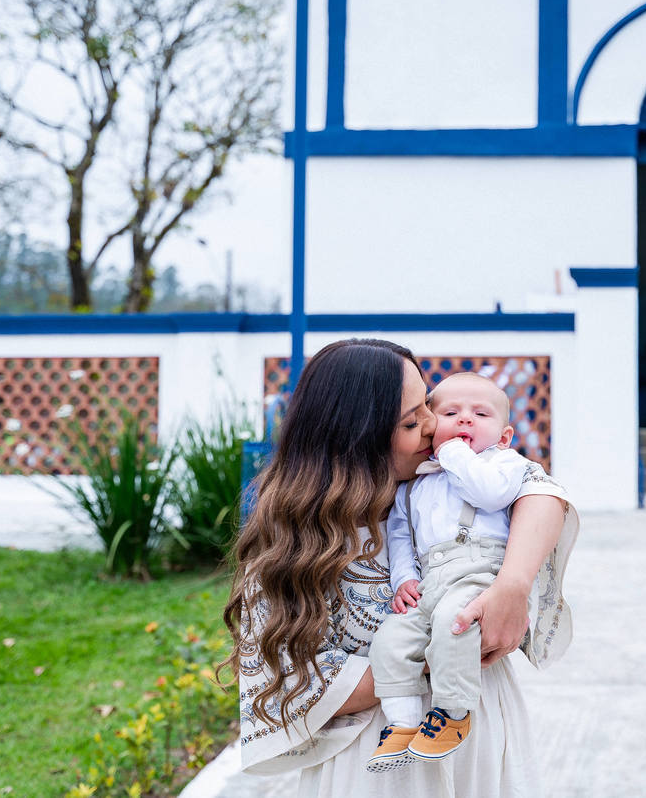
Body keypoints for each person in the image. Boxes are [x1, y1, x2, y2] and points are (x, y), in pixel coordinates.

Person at [221, 339, 578, 797]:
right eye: (412, 421)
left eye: (428, 405)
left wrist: (512, 586)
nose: (433, 425)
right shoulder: (293, 545)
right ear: (358, 439)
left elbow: (543, 491)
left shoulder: (447, 484)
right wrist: (446, 647)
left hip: (480, 744)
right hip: (376, 765)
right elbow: (293, 685)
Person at [366, 373, 533, 771]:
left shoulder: (504, 463)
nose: (465, 420)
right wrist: (403, 578)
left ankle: (453, 713)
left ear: (505, 436)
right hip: (430, 578)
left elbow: (488, 494)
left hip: (478, 572)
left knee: (453, 624)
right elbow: (400, 534)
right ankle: (402, 722)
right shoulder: (414, 483)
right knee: (391, 639)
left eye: (480, 414)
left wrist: (454, 453)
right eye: (451, 413)